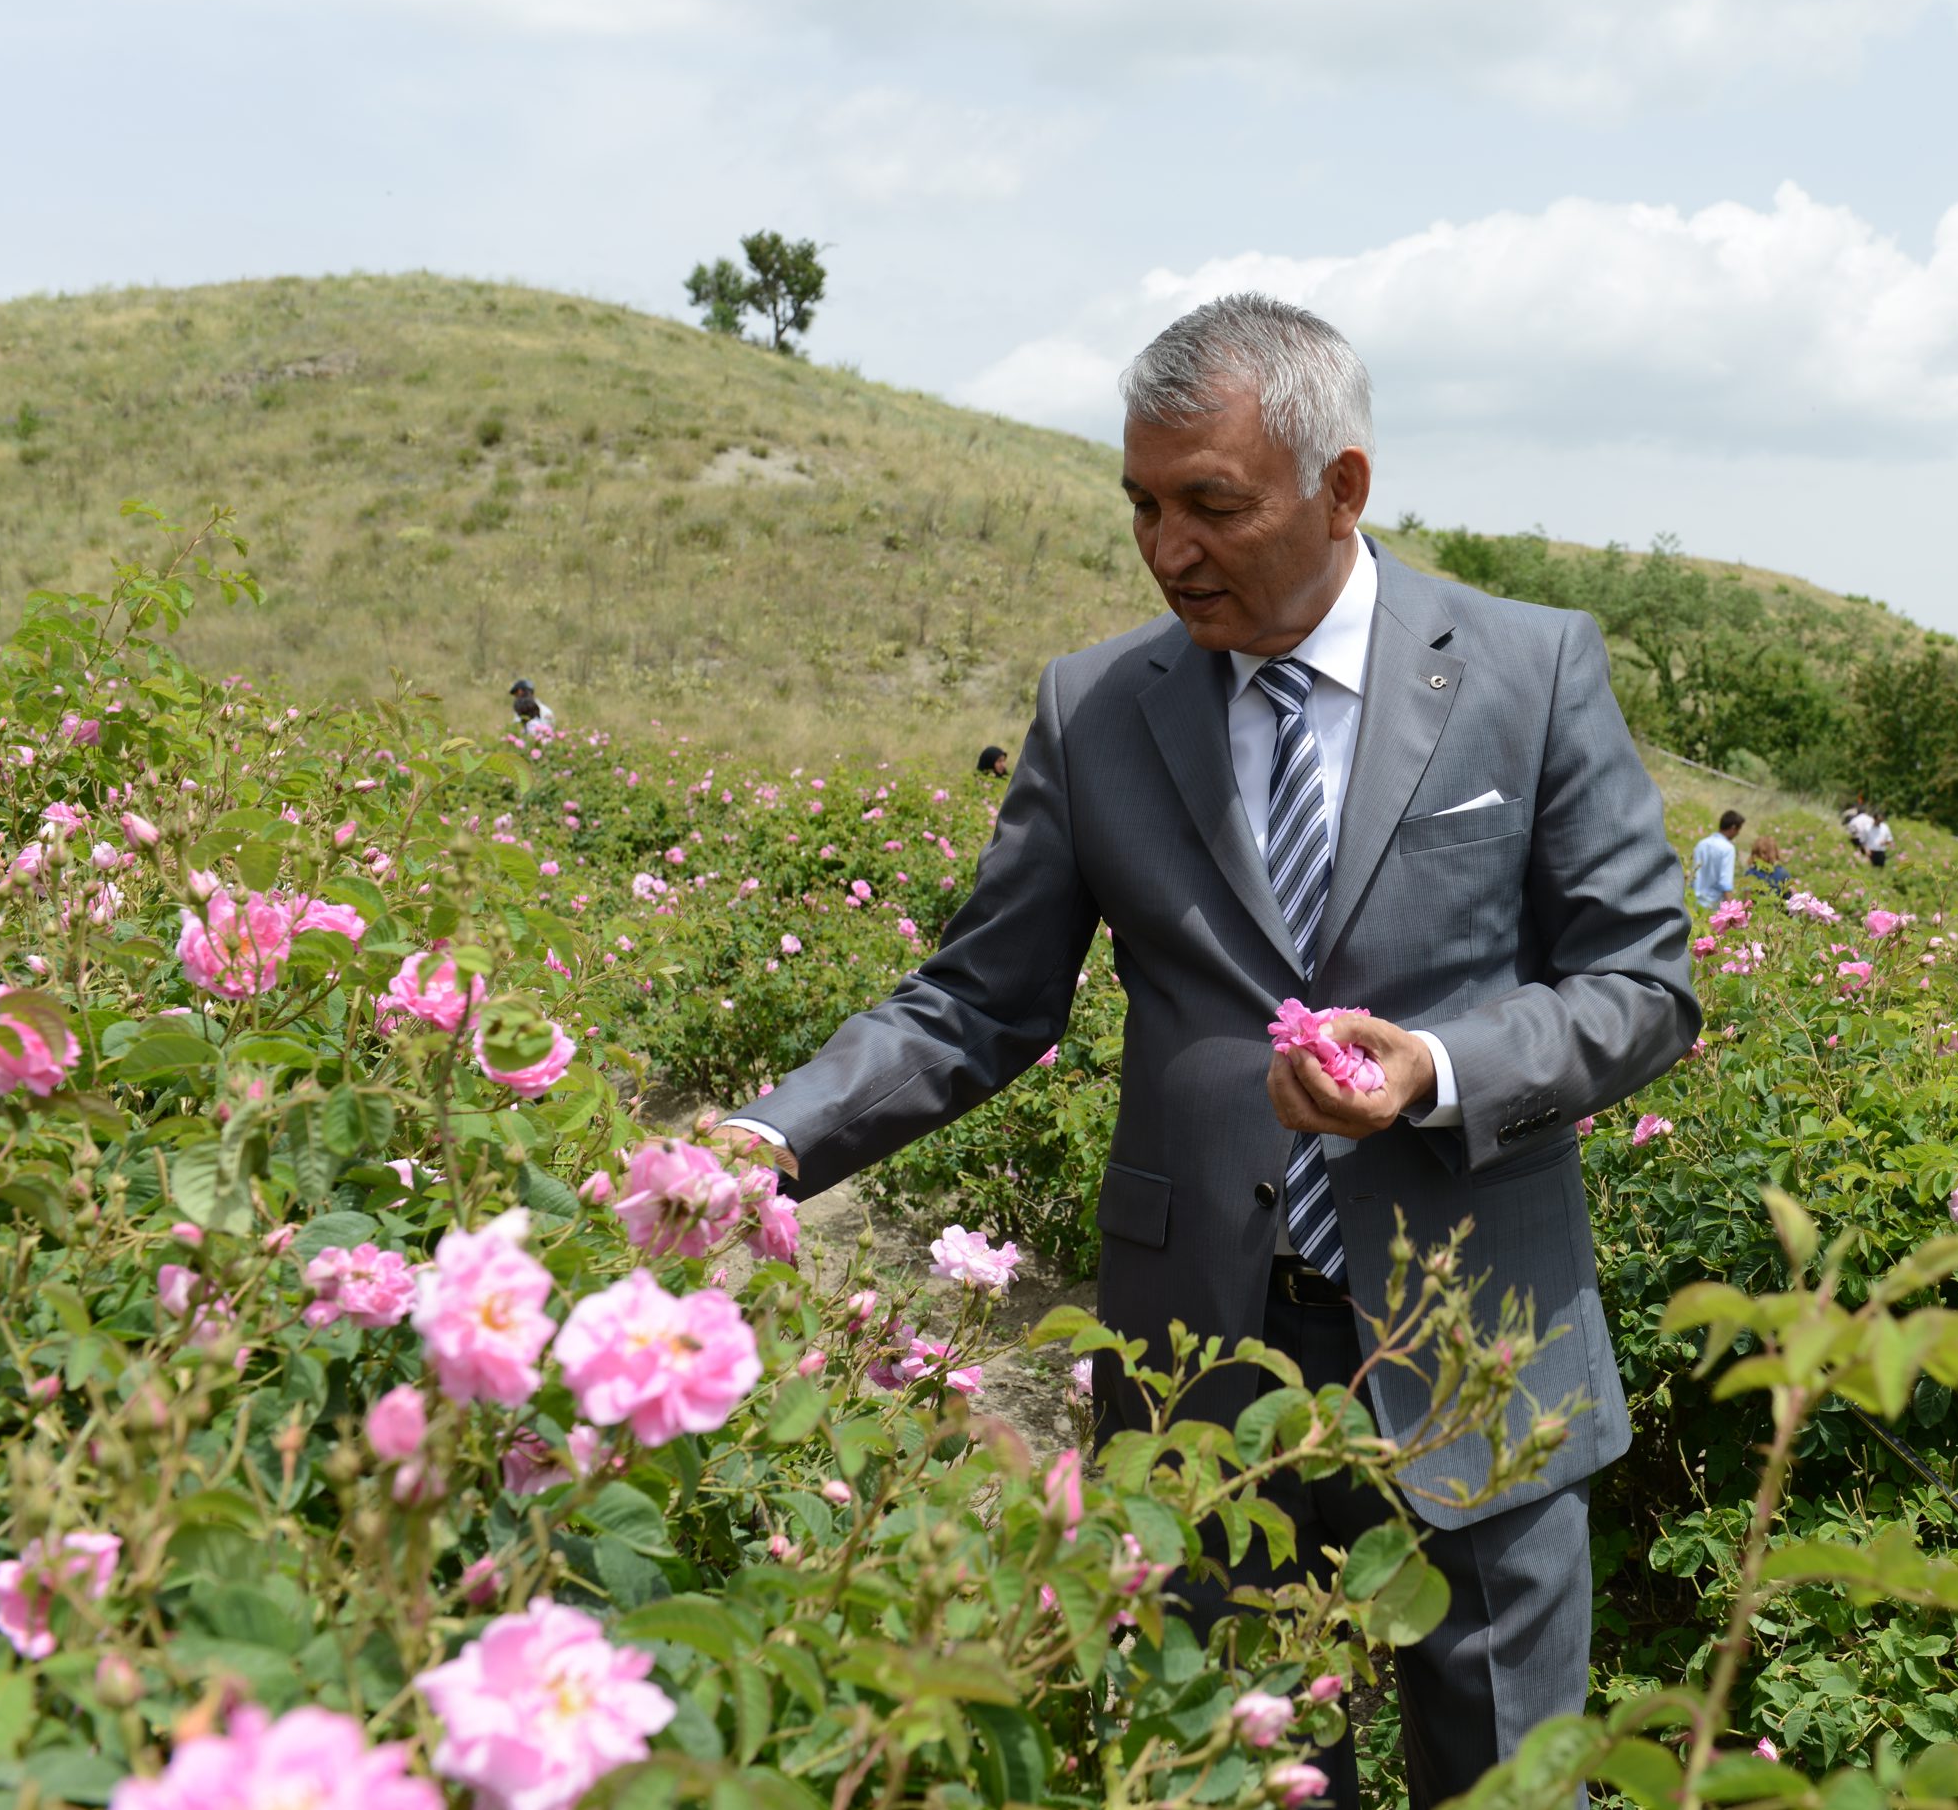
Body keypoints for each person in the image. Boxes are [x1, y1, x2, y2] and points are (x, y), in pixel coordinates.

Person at [715, 294, 1696, 1806]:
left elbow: (1641, 983)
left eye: (1212, 506)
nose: (1168, 548)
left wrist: (1433, 1069)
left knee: (1507, 1775)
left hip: (1477, 1339)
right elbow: (979, 999)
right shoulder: (1100, 705)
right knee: (1229, 1774)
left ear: (1343, 488)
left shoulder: (1528, 670)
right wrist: (768, 1141)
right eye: (1144, 506)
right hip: (1200, 1363)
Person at [1691, 809, 1743, 909]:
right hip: (1712, 905)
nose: (1737, 833)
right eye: (1738, 830)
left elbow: (1694, 874)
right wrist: (1731, 911)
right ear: (1733, 828)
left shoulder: (1702, 843)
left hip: (1694, 903)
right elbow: (1725, 882)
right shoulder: (1728, 848)